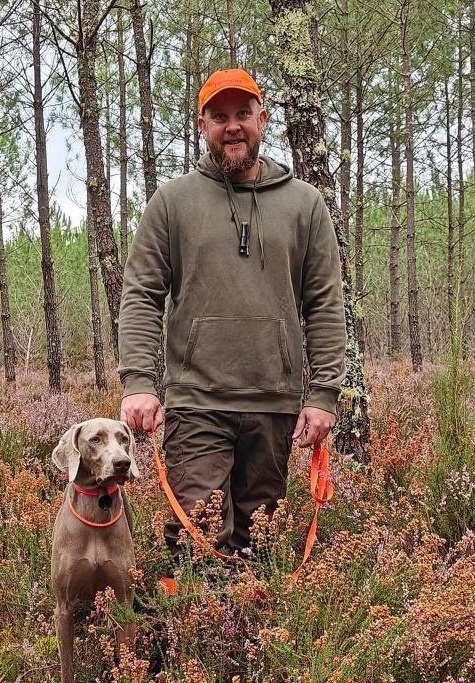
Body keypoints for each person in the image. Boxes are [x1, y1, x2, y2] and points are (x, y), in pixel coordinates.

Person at [118, 67, 346, 559]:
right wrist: (139, 382)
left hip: (275, 404)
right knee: (198, 542)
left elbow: (326, 302)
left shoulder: (305, 204)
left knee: (258, 547)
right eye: (219, 116)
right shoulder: (171, 202)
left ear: (263, 119)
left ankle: (246, 636)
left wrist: (323, 393)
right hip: (197, 401)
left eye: (243, 113)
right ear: (202, 126)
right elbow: (141, 294)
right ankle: (197, 635)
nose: (233, 126)